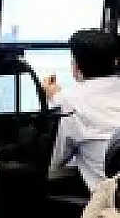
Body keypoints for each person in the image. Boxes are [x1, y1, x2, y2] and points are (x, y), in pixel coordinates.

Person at [41, 29, 120, 192]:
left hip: (109, 201)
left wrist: (55, 100)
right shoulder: (68, 99)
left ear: (76, 65)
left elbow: (54, 162)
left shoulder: (68, 101)